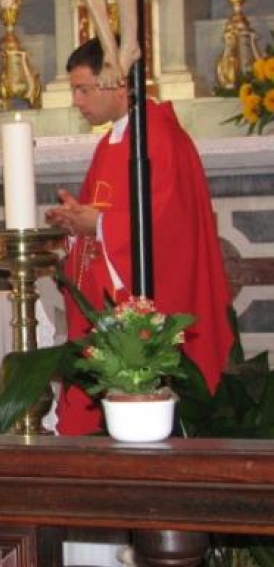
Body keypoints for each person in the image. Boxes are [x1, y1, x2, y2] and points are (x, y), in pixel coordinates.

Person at [44, 37, 233, 434]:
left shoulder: (159, 137)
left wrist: (94, 225)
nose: (77, 101)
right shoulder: (112, 141)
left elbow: (166, 224)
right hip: (114, 304)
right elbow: (101, 216)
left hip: (155, 302)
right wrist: (75, 226)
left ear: (116, 82)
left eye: (83, 89)